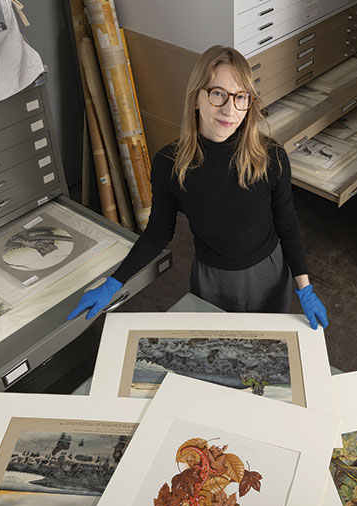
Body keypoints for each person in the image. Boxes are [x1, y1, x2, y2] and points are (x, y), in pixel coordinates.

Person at [67, 45, 328, 329]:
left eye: (241, 97)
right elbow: (158, 233)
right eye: (218, 94)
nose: (230, 109)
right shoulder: (170, 163)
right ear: (196, 98)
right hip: (211, 279)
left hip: (267, 276)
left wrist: (304, 288)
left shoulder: (271, 158)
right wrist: (114, 282)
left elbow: (287, 224)